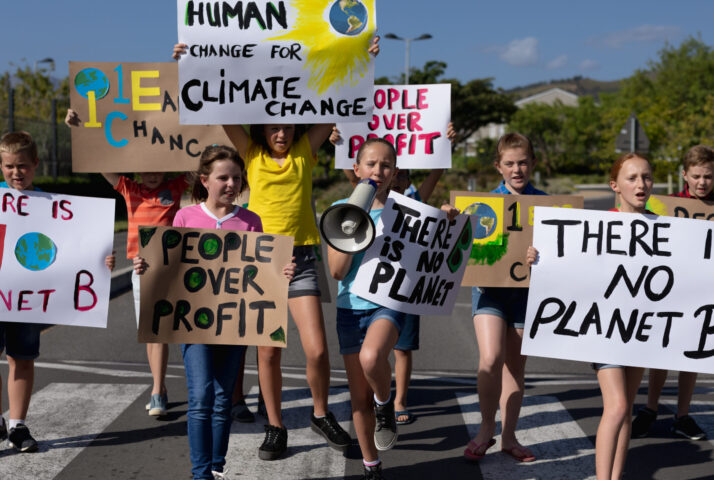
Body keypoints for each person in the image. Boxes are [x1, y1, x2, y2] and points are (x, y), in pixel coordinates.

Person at [172, 37, 379, 460]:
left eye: (286, 125)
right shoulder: (249, 153)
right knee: (267, 350)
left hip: (301, 256)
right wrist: (191, 61)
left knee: (318, 348)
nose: (281, 132)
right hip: (259, 258)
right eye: (273, 126)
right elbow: (222, 103)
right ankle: (276, 425)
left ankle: (320, 414)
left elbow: (337, 102)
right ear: (262, 129)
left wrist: (360, 59)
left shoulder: (306, 149)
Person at [135, 145, 295, 479]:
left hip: (233, 325)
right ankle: (200, 474)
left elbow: (260, 274)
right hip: (194, 325)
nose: (231, 184)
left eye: (236, 177)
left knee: (224, 400)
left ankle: (217, 467)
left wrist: (282, 273)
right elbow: (169, 267)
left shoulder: (251, 221)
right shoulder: (185, 217)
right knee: (201, 396)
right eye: (223, 177)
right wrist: (145, 265)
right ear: (205, 180)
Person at [527, 152, 651, 480]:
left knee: (627, 411)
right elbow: (567, 264)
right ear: (615, 186)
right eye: (632, 178)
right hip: (604, 329)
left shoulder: (664, 229)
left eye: (646, 177)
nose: (641, 184)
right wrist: (540, 257)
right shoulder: (595, 226)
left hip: (641, 329)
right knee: (619, 406)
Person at [65, 109, 187, 417]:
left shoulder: (175, 188)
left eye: (158, 164)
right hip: (140, 270)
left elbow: (199, 159)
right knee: (151, 331)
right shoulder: (128, 189)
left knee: (174, 328)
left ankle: (172, 388)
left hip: (173, 268)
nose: (151, 171)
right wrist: (79, 130)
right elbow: (99, 162)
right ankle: (158, 387)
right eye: (144, 165)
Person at [331, 124, 454, 425]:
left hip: (390, 302)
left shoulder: (408, 210)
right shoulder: (341, 210)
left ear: (396, 172)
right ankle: (372, 466)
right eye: (371, 164)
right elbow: (337, 271)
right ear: (356, 168)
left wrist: (447, 221)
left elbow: (435, 245)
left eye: (386, 165)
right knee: (359, 401)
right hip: (351, 306)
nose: (378, 170)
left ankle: (390, 401)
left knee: (375, 357)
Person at [0, 131, 114, 452]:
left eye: (22, 165)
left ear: (35, 164)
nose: (15, 172)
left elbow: (73, 248)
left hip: (28, 299)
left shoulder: (52, 207)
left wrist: (101, 258)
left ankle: (17, 426)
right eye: (8, 166)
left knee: (21, 359)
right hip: (2, 293)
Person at [464, 133, 545, 463]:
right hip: (489, 293)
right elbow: (463, 246)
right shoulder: (482, 204)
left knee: (515, 369)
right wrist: (452, 219)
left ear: (533, 164)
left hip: (527, 296)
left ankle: (509, 437)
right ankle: (486, 428)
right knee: (490, 359)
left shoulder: (547, 204)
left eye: (523, 162)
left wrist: (541, 254)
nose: (517, 169)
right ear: (498, 166)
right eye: (510, 163)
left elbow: (563, 254)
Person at [631, 144, 714, 441]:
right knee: (662, 353)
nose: (703, 182)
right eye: (697, 176)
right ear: (685, 176)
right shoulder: (666, 205)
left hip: (702, 294)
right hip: (667, 290)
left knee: (691, 355)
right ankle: (650, 409)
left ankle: (683, 415)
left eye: (708, 176)